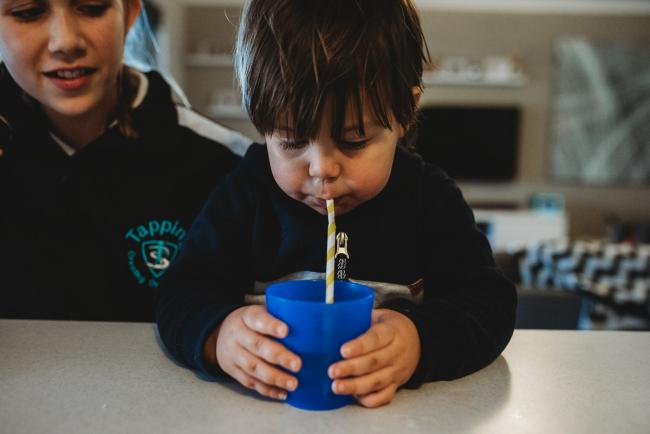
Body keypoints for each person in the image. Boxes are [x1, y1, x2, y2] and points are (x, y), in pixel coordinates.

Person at [156, 0, 516, 408]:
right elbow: (180, 295)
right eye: (291, 141)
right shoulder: (245, 194)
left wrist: (420, 341)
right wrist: (217, 337)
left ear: (404, 113)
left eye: (353, 141)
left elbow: (489, 304)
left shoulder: (428, 199)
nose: (322, 169)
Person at [0, 0, 251, 321]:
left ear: (130, 12)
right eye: (29, 12)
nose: (65, 42)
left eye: (91, 8)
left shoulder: (225, 164)